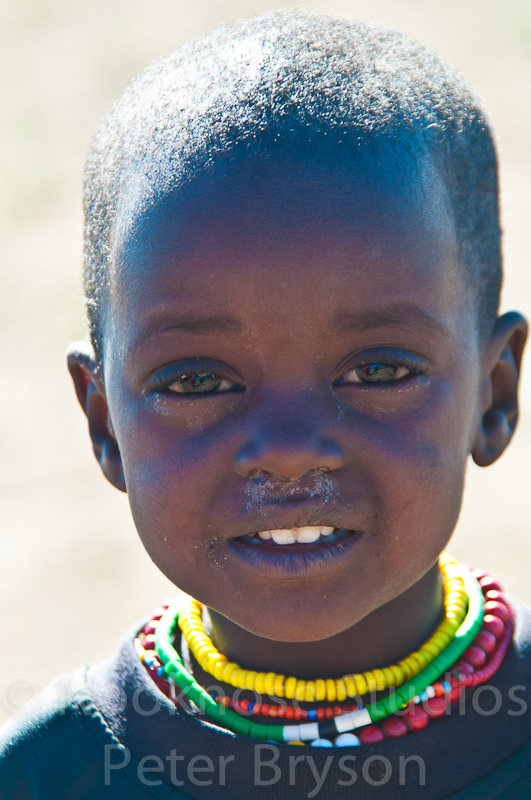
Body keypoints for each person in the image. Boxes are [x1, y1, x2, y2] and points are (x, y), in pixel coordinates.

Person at [0, 9, 529, 798]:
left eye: (378, 369)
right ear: (104, 422)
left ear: (493, 395)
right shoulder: (49, 775)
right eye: (197, 381)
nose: (288, 447)